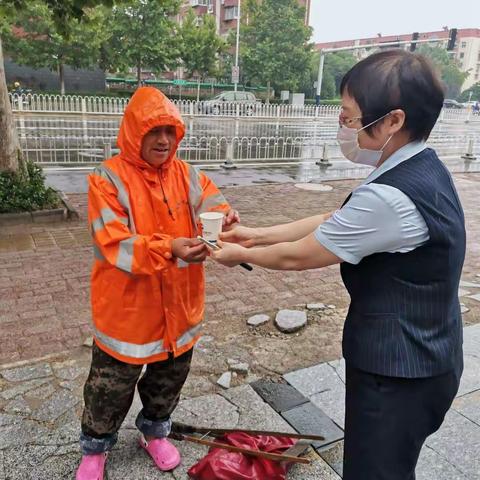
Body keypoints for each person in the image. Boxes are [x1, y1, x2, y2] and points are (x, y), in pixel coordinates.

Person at [210, 50, 465, 480]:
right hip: (426, 353)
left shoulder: (391, 196)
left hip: (398, 370)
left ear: (393, 121)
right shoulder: (418, 163)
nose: (344, 128)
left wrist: (242, 254)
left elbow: (303, 254)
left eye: (350, 118)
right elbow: (336, 221)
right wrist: (255, 234)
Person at [76, 86, 239, 480]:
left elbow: (213, 206)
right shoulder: (107, 179)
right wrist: (171, 248)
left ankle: (154, 433)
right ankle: (95, 448)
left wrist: (227, 218)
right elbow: (113, 241)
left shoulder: (190, 176)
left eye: (170, 130)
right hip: (127, 313)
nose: (163, 140)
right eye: (153, 131)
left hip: (180, 308)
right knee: (109, 388)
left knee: (168, 380)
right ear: (134, 133)